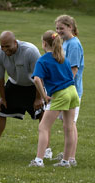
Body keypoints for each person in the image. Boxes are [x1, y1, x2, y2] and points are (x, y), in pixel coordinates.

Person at [0, 31, 43, 154]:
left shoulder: (30, 51)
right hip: (14, 84)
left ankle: (46, 149)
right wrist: (2, 98)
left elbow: (39, 76)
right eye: (2, 46)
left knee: (42, 114)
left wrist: (39, 98)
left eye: (8, 46)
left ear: (15, 43)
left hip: (33, 85)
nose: (5, 49)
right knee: (1, 110)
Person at [29, 30, 79, 167]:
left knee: (43, 127)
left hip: (61, 94)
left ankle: (38, 161)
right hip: (73, 92)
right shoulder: (64, 59)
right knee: (69, 127)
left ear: (44, 43)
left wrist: (44, 96)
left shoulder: (43, 60)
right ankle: (66, 161)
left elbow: (37, 79)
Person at [45, 15, 84, 165]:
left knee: (70, 125)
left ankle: (71, 158)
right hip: (65, 90)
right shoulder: (66, 42)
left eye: (62, 28)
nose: (59, 31)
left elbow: (73, 70)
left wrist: (61, 86)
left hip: (70, 90)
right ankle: (69, 155)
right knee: (68, 124)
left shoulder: (73, 44)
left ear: (71, 27)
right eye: (57, 28)